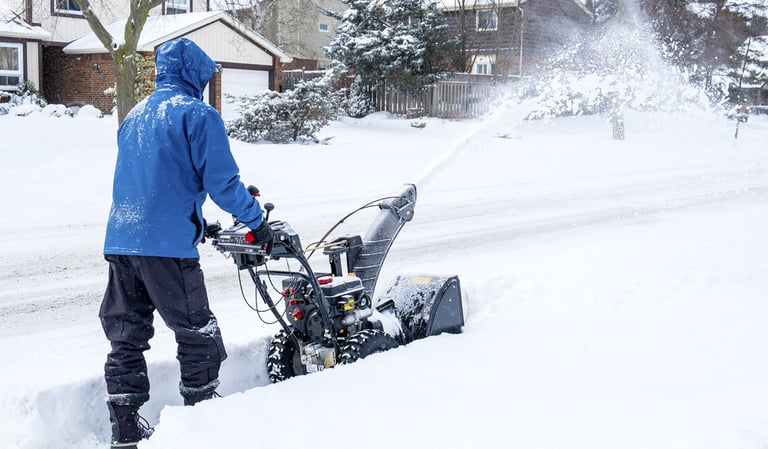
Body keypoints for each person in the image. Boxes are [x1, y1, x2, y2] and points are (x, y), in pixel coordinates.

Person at [100, 38, 273, 449]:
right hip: (166, 247)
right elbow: (223, 183)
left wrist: (195, 222)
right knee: (198, 332)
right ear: (194, 73)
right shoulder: (197, 114)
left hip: (122, 240)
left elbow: (154, 178)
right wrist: (256, 220)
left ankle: (125, 429)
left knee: (126, 334)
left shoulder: (136, 115)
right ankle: (200, 423)